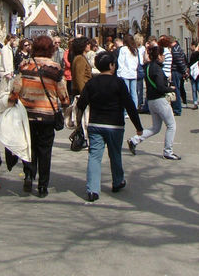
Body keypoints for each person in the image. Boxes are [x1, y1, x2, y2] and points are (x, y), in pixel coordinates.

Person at [77, 51, 143, 202]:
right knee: (115, 154)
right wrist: (138, 126)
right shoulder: (118, 83)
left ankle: (93, 190)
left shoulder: (92, 83)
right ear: (112, 65)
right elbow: (130, 105)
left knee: (94, 156)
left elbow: (81, 104)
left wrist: (79, 124)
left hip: (95, 123)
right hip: (115, 125)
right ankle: (118, 181)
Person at [8, 34, 69, 197]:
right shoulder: (55, 68)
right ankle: (42, 186)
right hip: (47, 115)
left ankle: (28, 175)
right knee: (45, 151)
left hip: (27, 114)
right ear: (50, 50)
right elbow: (62, 92)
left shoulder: (25, 65)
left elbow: (16, 88)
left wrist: (11, 102)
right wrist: (65, 104)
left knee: (29, 146)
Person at [128, 46, 181, 160]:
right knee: (171, 125)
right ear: (158, 56)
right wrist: (171, 89)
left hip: (151, 100)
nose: (163, 58)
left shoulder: (148, 67)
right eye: (162, 55)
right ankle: (168, 151)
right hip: (160, 100)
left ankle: (134, 140)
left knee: (156, 127)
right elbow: (160, 87)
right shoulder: (157, 69)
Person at [116, 33, 139, 106]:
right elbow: (137, 62)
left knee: (126, 93)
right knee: (134, 93)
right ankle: (134, 108)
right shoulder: (135, 49)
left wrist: (119, 73)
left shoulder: (123, 49)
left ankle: (126, 111)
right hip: (133, 73)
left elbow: (121, 62)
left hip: (125, 73)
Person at [134, 32, 146, 111]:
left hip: (136, 67)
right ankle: (139, 103)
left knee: (135, 88)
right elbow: (144, 60)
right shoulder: (143, 48)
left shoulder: (135, 48)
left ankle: (137, 103)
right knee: (139, 87)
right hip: (140, 67)